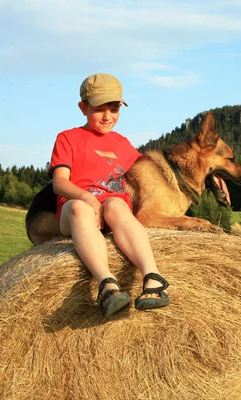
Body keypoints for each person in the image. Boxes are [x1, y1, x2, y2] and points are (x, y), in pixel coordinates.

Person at [49, 73, 169, 317]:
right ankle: (107, 284)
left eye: (114, 109)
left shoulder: (122, 143)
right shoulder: (68, 138)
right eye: (99, 109)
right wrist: (86, 198)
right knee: (79, 208)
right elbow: (59, 183)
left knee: (116, 204)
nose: (107, 117)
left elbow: (146, 175)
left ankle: (153, 278)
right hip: (75, 212)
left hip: (113, 210)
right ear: (83, 108)